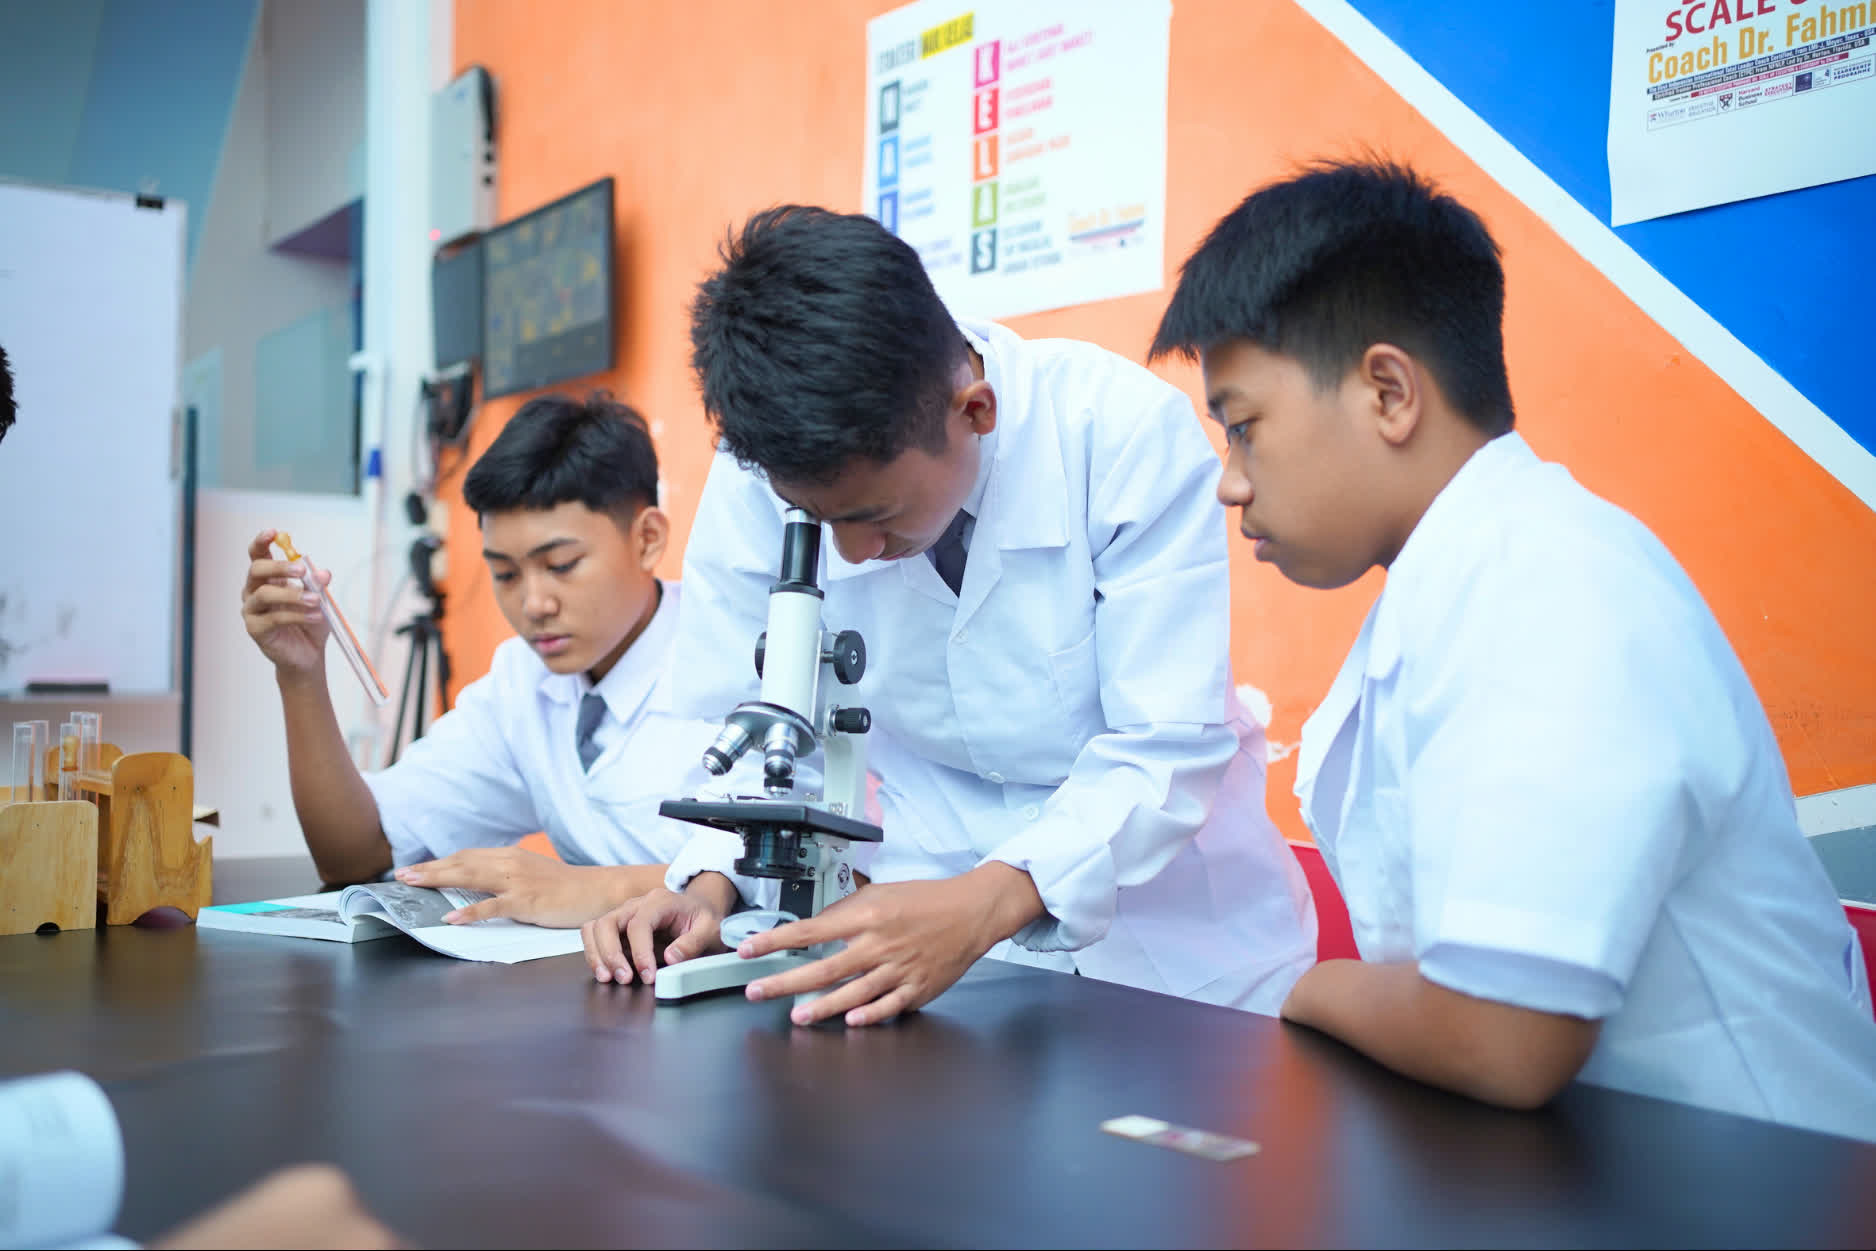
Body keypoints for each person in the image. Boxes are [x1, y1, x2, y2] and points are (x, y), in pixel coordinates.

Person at [1149, 157, 1876, 1138]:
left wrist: (1306, 989)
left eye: (1242, 428)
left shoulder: (1553, 583)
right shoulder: (1463, 580)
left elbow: (1502, 1034)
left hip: (1763, 1174)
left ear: (1388, 393)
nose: (1229, 483)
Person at [582, 205, 1317, 1025]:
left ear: (976, 410)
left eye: (876, 514)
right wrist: (707, 885)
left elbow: (1164, 744)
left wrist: (985, 901)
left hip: (1176, 950)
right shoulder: (764, 466)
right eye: (822, 522)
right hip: (926, 948)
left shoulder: (1119, 435)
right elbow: (746, 716)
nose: (853, 553)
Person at [240, 393, 724, 926]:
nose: (534, 604)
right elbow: (356, 852)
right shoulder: (522, 680)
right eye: (506, 574)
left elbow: (781, 881)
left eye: (561, 565)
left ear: (648, 539)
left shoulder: (740, 659)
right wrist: (301, 675)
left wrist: (594, 887)